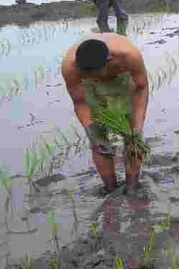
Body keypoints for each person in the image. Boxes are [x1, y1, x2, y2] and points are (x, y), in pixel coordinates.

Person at [61, 33, 149, 193]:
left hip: (122, 79)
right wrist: (91, 131)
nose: (92, 75)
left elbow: (141, 88)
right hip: (90, 88)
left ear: (108, 61)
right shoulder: (70, 67)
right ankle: (110, 188)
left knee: (132, 136)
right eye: (86, 73)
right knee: (98, 140)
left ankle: (132, 186)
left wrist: (138, 126)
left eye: (95, 72)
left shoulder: (129, 56)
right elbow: (80, 102)